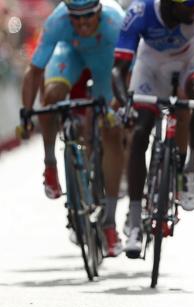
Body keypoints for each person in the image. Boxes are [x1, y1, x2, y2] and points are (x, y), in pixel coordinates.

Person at [112, 0, 194, 258]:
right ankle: (135, 219)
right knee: (140, 133)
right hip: (149, 68)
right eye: (188, 7)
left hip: (188, 64)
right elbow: (118, 70)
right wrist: (126, 104)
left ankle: (190, 171)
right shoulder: (139, 12)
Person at [19, 0, 125, 257]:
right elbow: (35, 71)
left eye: (88, 16)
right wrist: (26, 114)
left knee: (111, 131)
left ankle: (110, 224)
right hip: (71, 55)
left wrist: (119, 104)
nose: (82, 23)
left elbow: (129, 70)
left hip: (106, 63)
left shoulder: (116, 21)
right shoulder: (58, 21)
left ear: (99, 11)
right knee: (52, 96)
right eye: (75, 18)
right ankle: (51, 163)